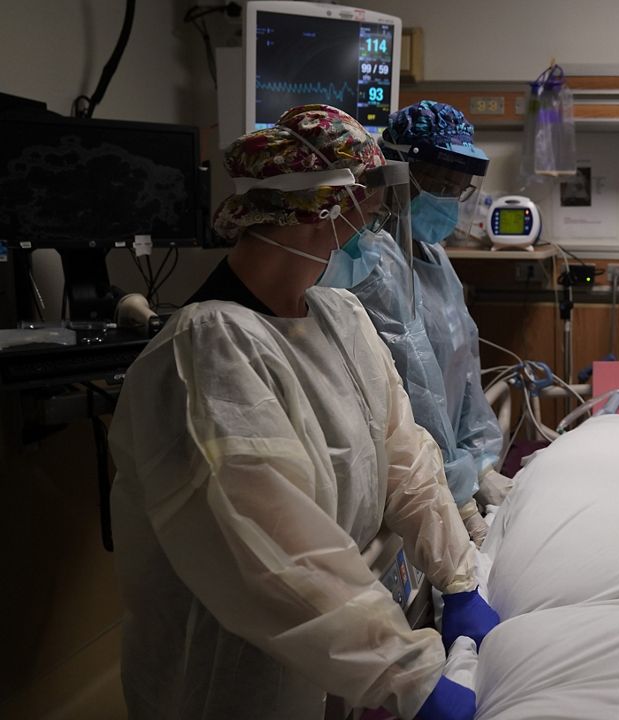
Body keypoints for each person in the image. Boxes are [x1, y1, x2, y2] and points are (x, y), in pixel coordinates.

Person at [109, 104, 497, 720]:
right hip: (232, 672)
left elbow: (404, 455)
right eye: (366, 196)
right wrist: (409, 678)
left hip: (334, 648)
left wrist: (456, 576)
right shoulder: (209, 351)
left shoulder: (339, 317)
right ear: (322, 207)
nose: (375, 214)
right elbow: (276, 554)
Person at [335, 100, 511, 546]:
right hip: (400, 476)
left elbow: (463, 367)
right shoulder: (368, 260)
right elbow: (416, 383)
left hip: (447, 470)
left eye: (458, 187)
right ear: (398, 172)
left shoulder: (435, 259)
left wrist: (482, 462)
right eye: (437, 183)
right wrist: (458, 487)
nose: (448, 198)